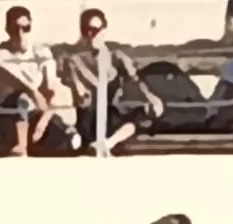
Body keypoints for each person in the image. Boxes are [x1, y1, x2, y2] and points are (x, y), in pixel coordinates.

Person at [60, 8, 166, 154]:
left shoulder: (116, 58)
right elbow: (76, 88)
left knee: (147, 111)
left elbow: (135, 80)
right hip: (89, 118)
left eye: (95, 30)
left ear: (104, 31)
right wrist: (80, 90)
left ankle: (108, 143)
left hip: (112, 119)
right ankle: (95, 143)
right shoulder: (74, 61)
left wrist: (150, 97)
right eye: (86, 30)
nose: (91, 35)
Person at [0, 5, 69, 155]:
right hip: (8, 115)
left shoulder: (42, 52)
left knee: (70, 140)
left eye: (25, 28)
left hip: (35, 115)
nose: (20, 34)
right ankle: (22, 146)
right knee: (22, 98)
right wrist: (34, 93)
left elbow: (51, 92)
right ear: (7, 29)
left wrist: (43, 122)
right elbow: (19, 83)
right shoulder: (1, 53)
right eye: (15, 29)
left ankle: (31, 144)